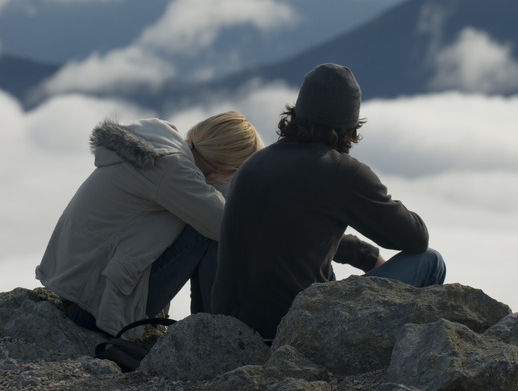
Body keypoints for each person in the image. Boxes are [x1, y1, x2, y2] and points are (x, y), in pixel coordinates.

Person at [212, 63, 446, 341]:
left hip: (231, 326)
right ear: (351, 126)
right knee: (431, 261)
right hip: (294, 328)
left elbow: (292, 233)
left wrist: (366, 256)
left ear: (296, 113)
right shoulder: (342, 172)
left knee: (324, 267)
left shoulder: (254, 164)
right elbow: (416, 239)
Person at [36, 111, 263, 339]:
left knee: (210, 212)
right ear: (228, 164)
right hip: (95, 308)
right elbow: (229, 226)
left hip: (76, 294)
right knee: (212, 229)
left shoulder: (161, 146)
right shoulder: (171, 169)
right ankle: (212, 334)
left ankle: (208, 325)